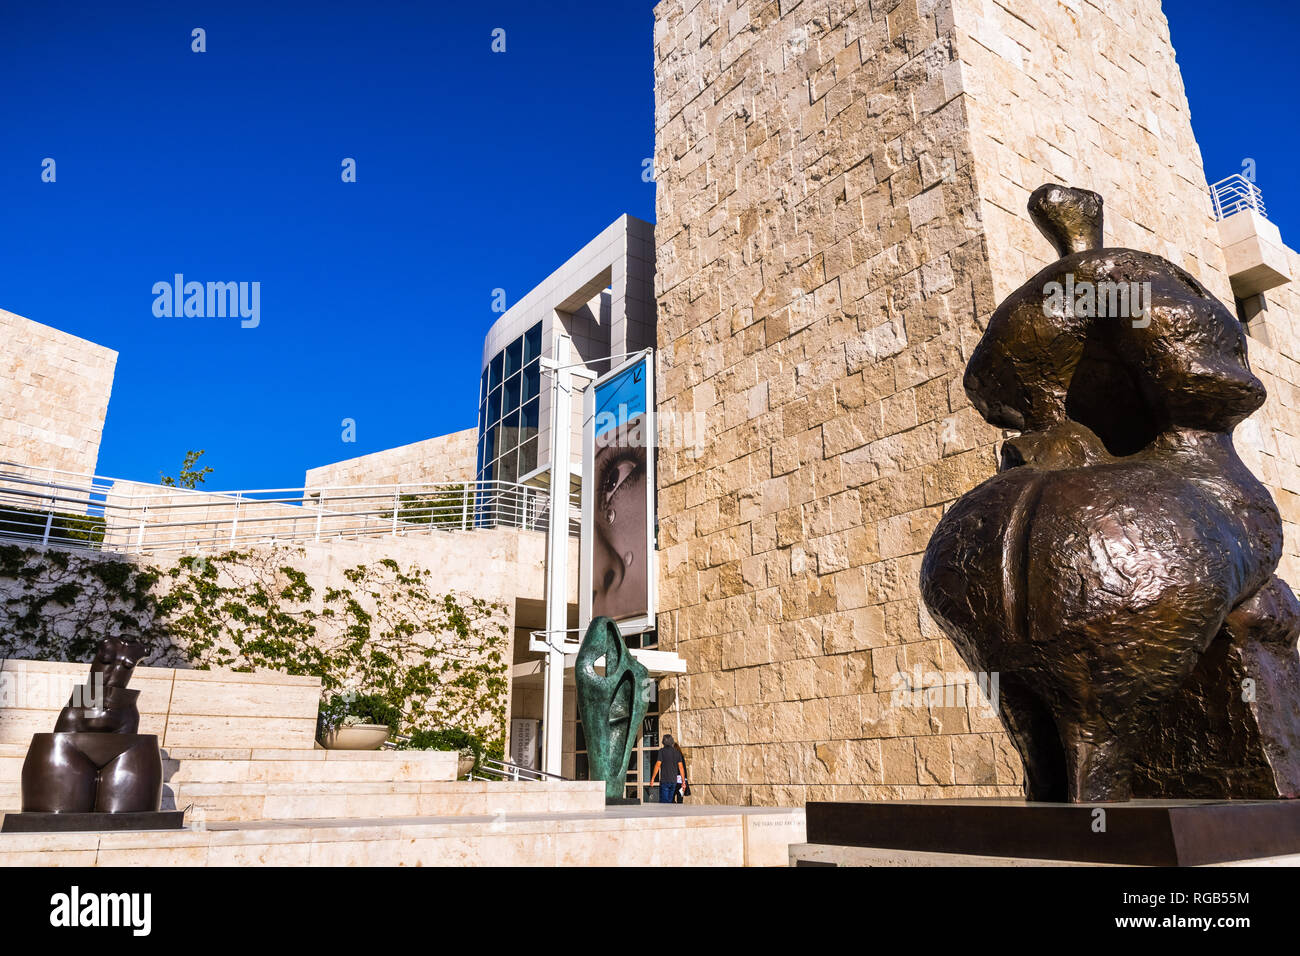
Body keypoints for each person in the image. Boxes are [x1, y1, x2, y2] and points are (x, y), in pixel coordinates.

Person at [649, 734, 686, 804]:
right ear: (672, 741)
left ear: (663, 742)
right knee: (669, 802)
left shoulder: (661, 751)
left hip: (665, 781)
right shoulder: (677, 752)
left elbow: (657, 765)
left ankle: (664, 814)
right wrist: (683, 781)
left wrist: (653, 778)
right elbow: (681, 768)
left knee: (664, 802)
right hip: (673, 781)